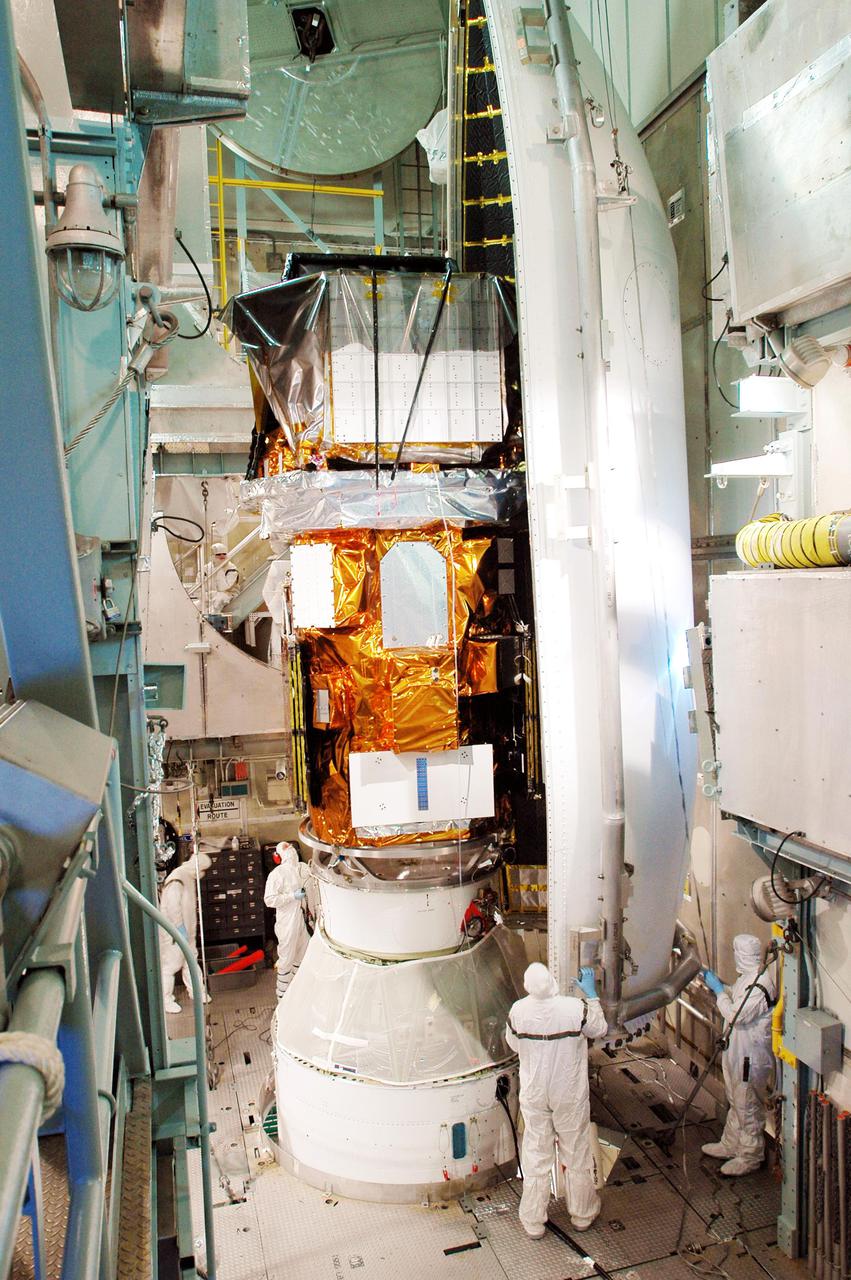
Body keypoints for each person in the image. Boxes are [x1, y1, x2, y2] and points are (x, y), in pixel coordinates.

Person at [505, 962, 608, 1239]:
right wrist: (592, 996)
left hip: (535, 1094)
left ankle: (533, 1221)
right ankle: (582, 1215)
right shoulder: (575, 1008)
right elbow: (599, 1029)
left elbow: (513, 1044)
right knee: (575, 1151)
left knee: (536, 1155)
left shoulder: (518, 1010)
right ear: (551, 981)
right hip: (568, 1093)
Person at [701, 933, 776, 1176]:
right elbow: (739, 996)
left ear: (743, 955)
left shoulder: (761, 985)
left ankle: (750, 1156)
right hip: (737, 1051)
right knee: (735, 1099)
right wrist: (724, 987)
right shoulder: (748, 978)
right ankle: (731, 1144)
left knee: (747, 1105)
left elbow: (736, 1014)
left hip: (750, 1058)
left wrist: (719, 992)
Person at [159, 852, 212, 1014]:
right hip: (174, 934)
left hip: (187, 932)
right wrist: (179, 928)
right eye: (202, 870)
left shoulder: (188, 878)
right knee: (170, 966)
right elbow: (172, 907)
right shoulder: (177, 879)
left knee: (191, 962)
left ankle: (197, 992)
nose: (202, 874)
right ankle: (166, 999)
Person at [264, 841, 309, 999]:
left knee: (304, 953)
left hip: (300, 918)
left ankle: (297, 992)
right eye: (286, 849)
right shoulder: (277, 874)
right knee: (286, 960)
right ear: (279, 856)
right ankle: (282, 999)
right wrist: (292, 896)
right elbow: (269, 900)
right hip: (286, 922)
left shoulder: (302, 868)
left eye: (290, 848)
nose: (290, 851)